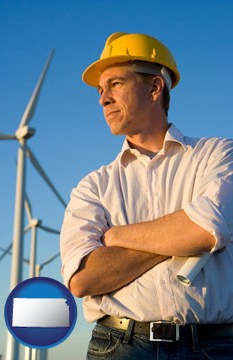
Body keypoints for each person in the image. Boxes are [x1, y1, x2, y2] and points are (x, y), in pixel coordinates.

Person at [60, 32, 233, 359]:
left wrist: (116, 237)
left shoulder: (219, 154)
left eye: (115, 84)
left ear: (155, 88)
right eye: (100, 90)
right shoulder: (93, 185)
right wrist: (179, 236)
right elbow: (83, 279)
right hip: (119, 345)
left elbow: (206, 228)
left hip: (214, 346)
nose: (103, 99)